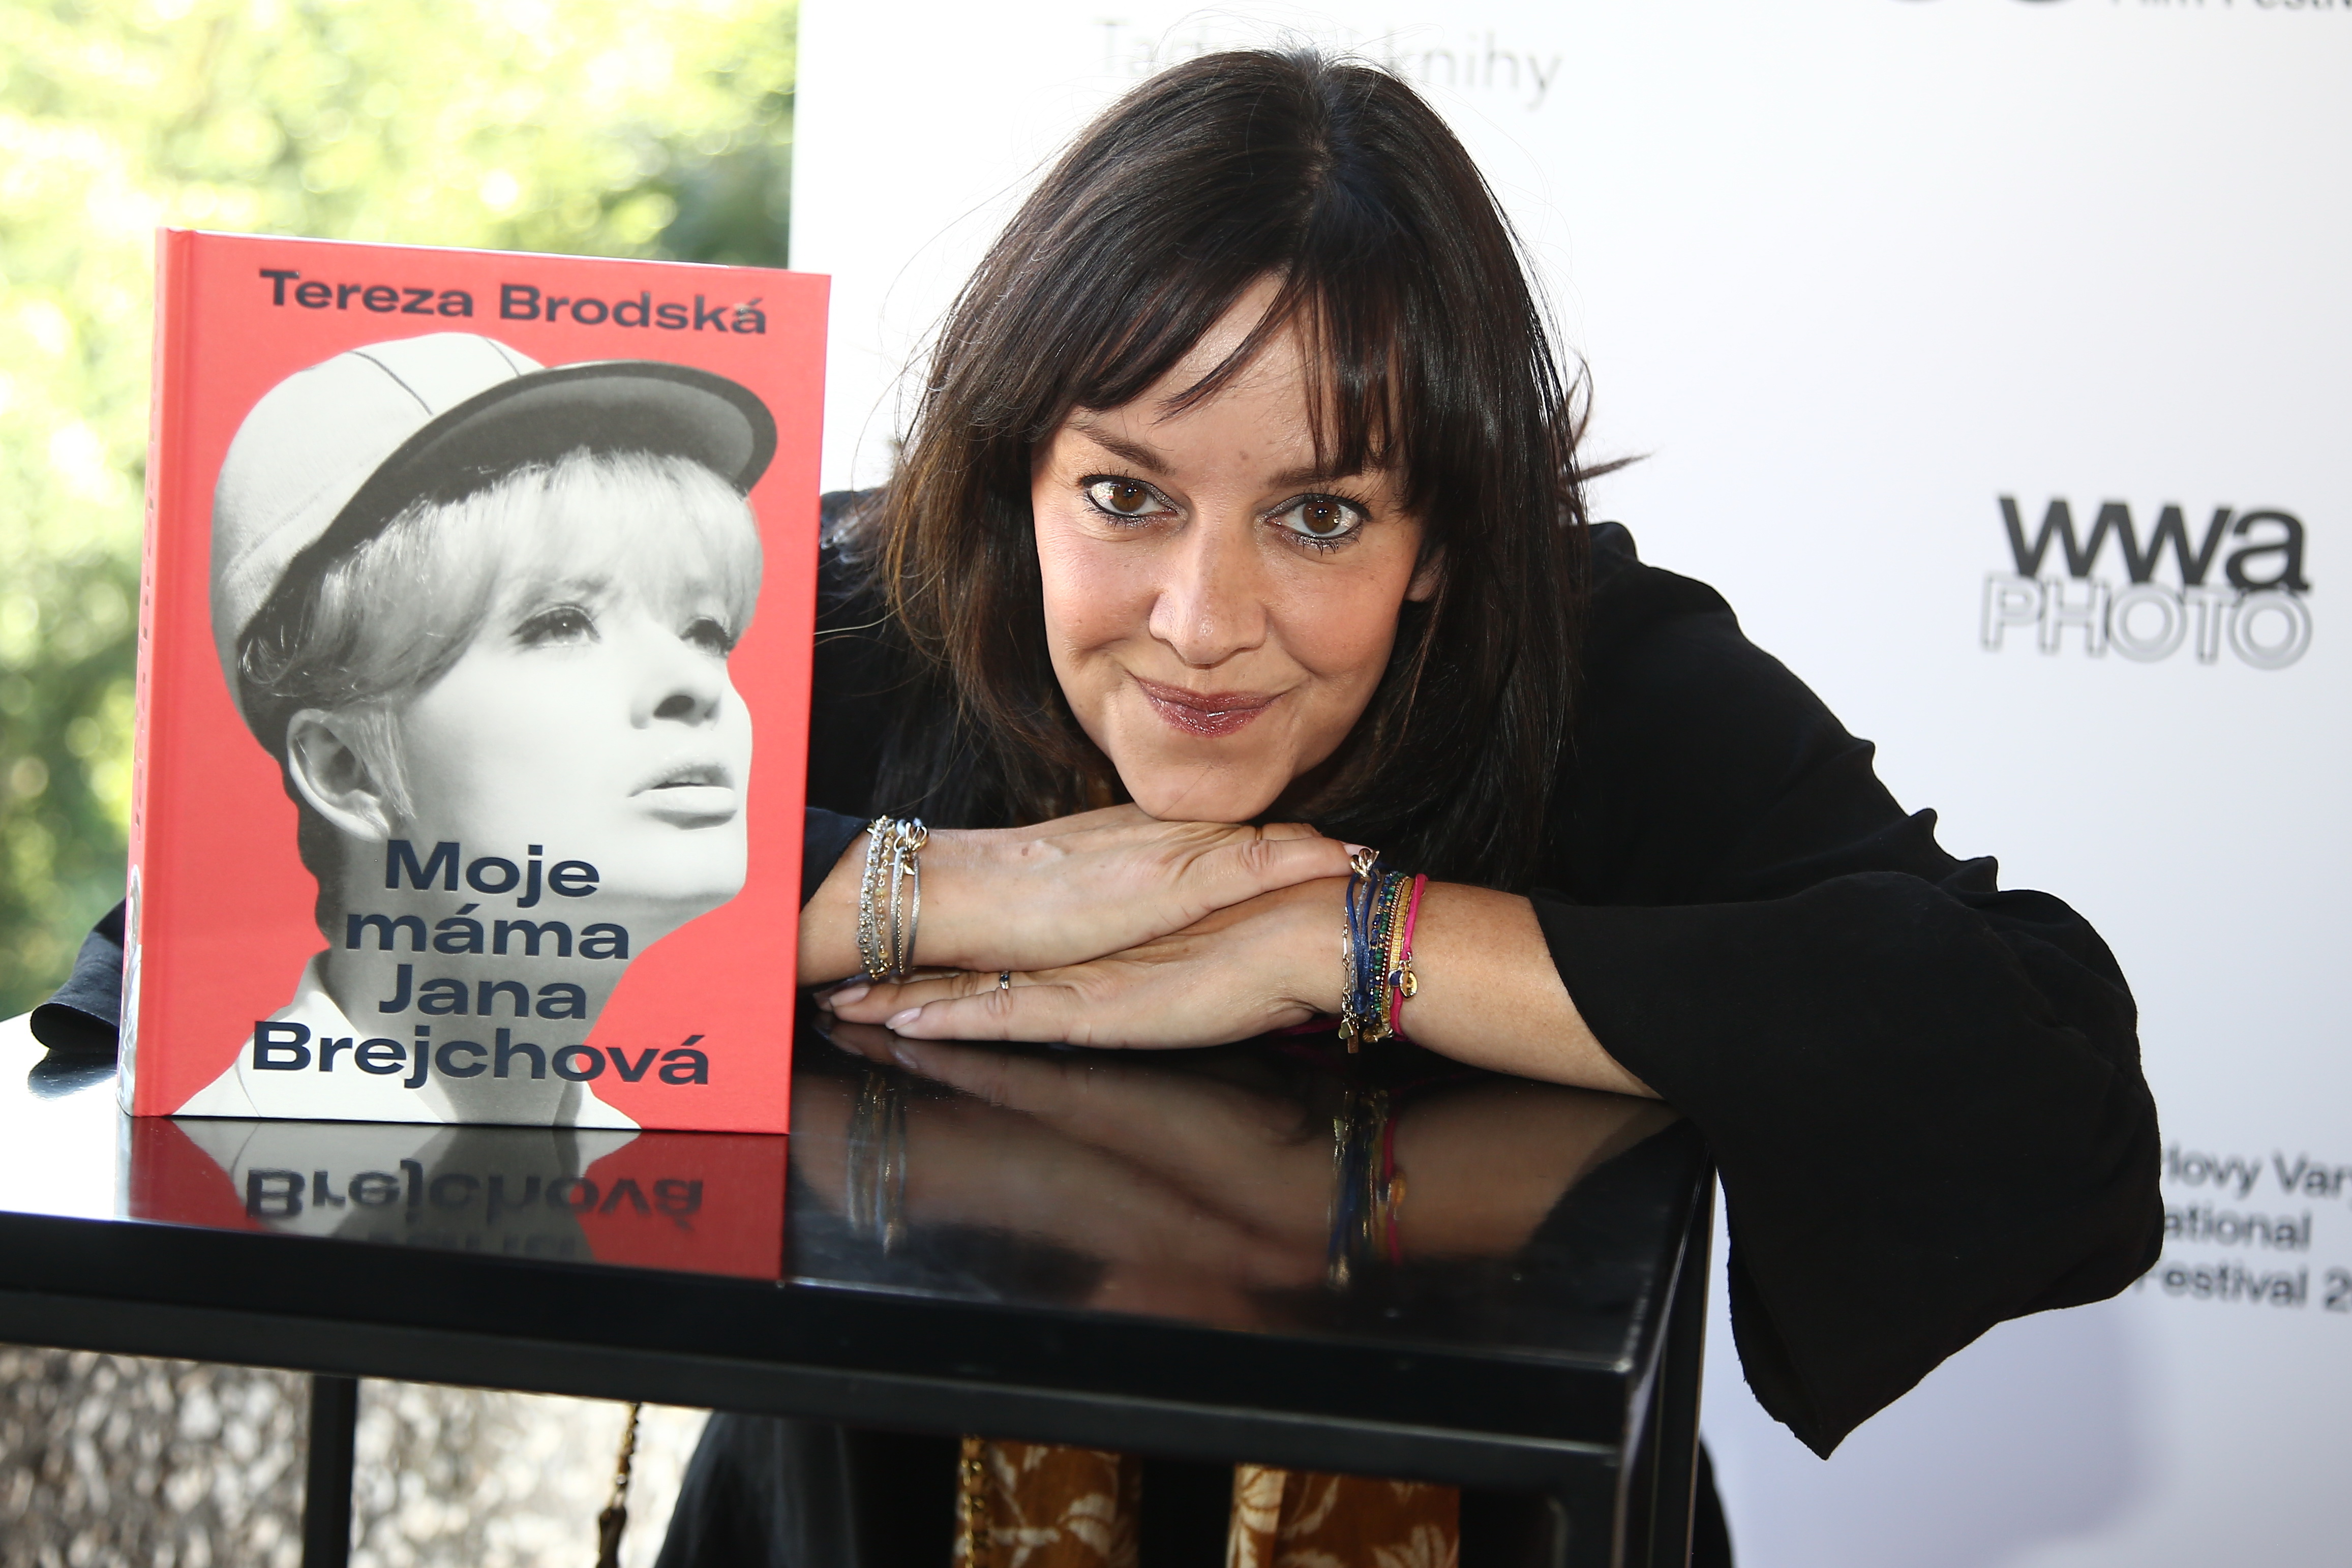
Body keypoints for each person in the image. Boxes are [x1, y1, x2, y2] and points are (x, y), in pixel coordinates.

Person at [33, 50, 2158, 1566]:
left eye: (1319, 515)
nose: (1202, 622)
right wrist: (937, 892)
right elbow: (197, 946)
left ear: (1444, 531)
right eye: (1124, 496)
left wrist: (1347, 938)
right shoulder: (841, 619)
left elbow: (2043, 1076)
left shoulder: (1587, 671)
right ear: (1012, 473)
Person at [174, 331, 773, 1126]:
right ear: (345, 767)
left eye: (706, 630)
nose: (695, 683)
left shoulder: (652, 1176)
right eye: (560, 623)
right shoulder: (198, 1188)